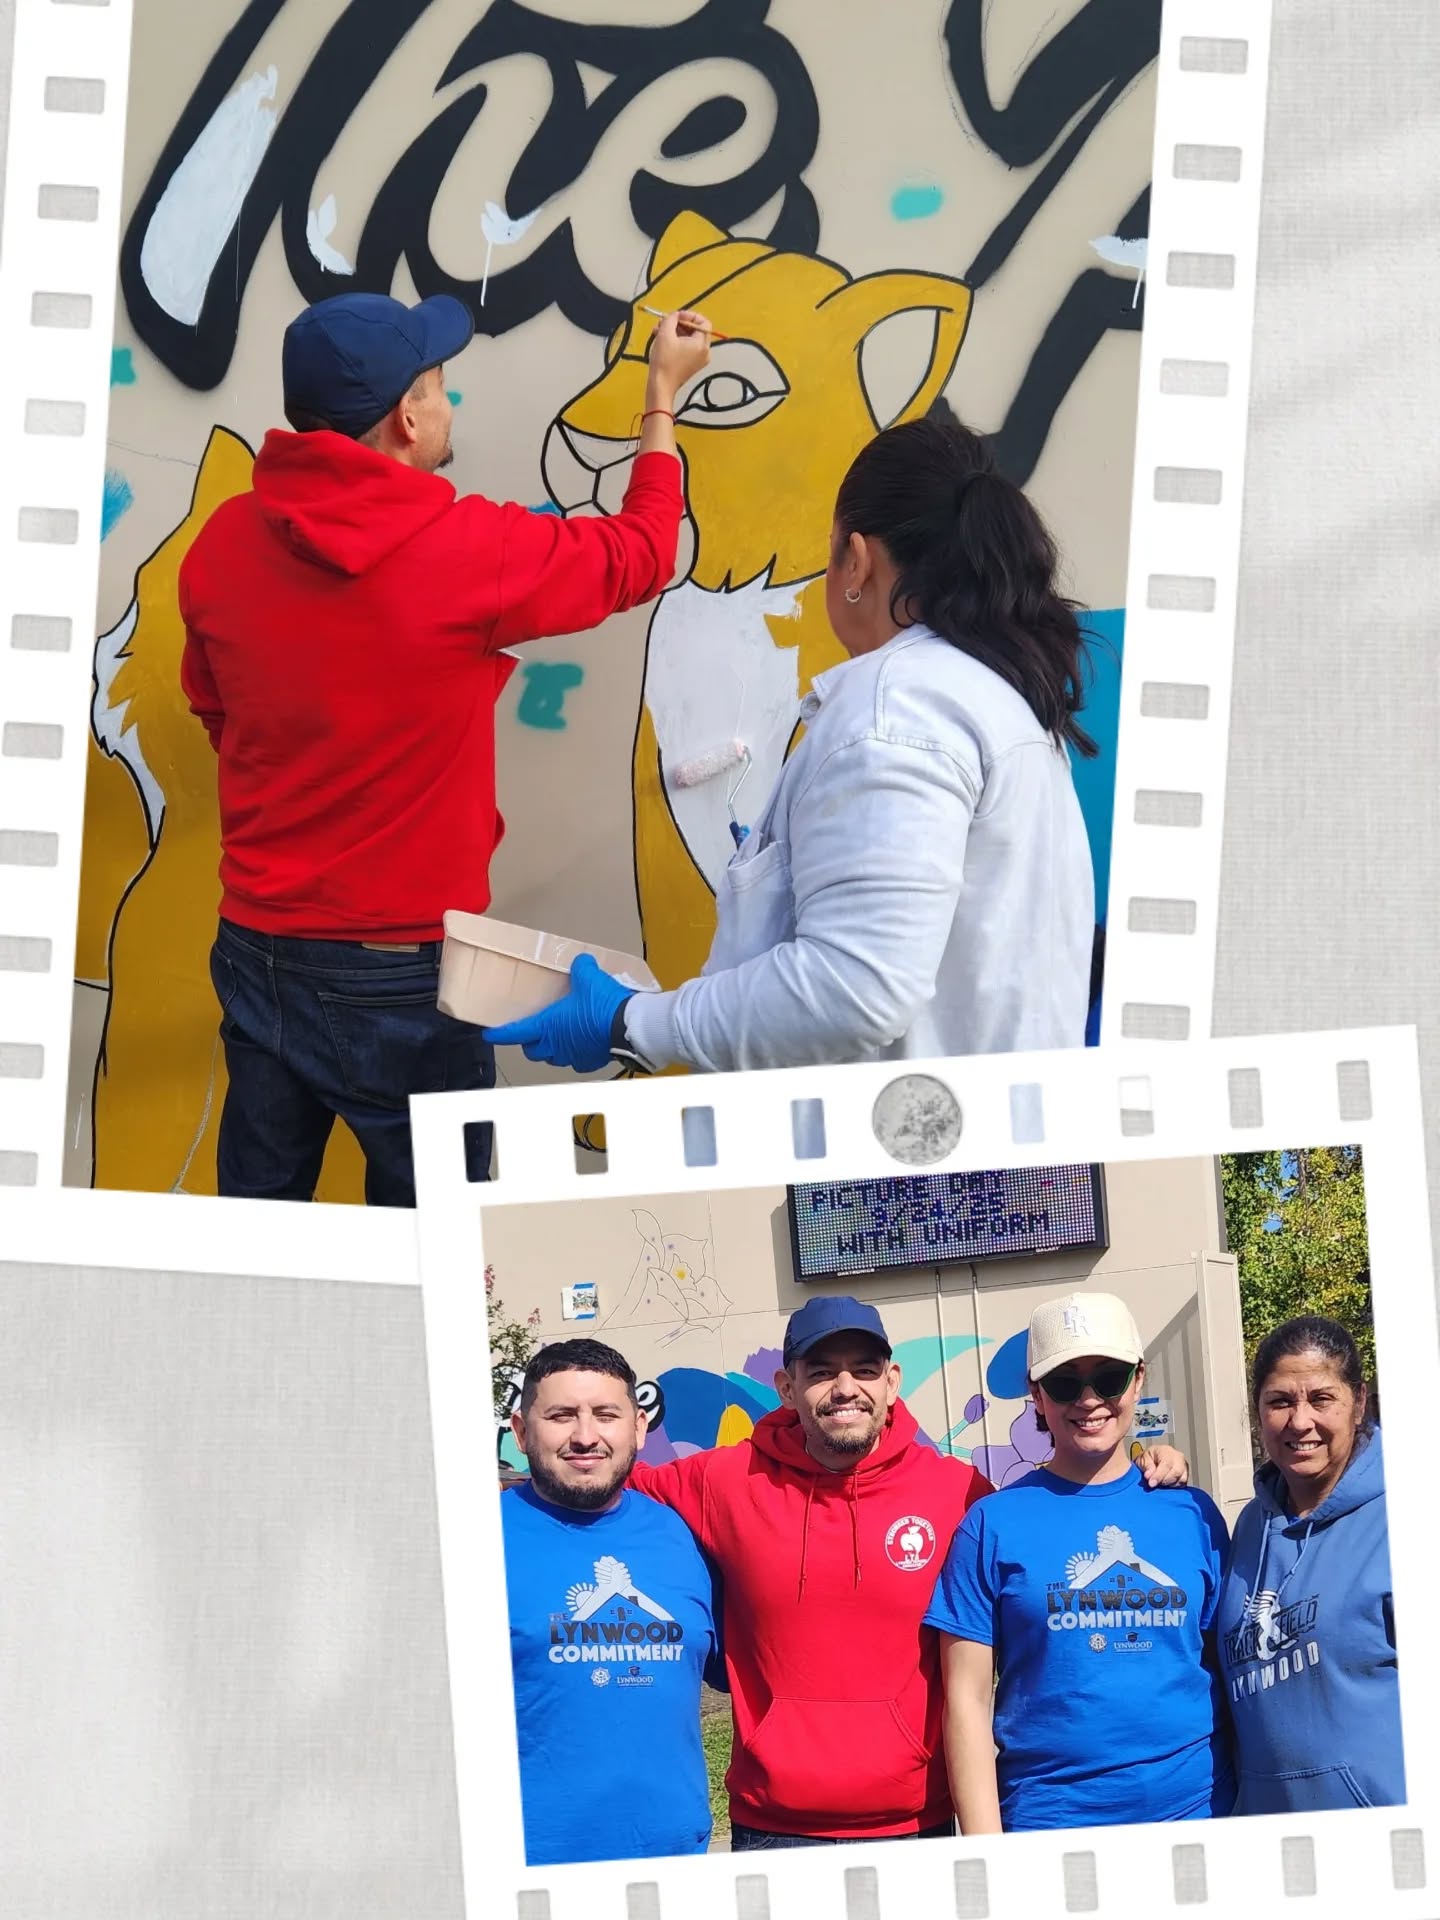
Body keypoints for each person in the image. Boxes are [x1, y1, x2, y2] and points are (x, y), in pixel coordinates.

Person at [179, 291, 712, 1206]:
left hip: (257, 949)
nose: (450, 402)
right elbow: (637, 556)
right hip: (402, 976)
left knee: (254, 1244)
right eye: (440, 384)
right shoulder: (464, 547)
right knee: (437, 1256)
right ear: (405, 417)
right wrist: (661, 396)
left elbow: (216, 712)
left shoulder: (223, 541)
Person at [484, 415, 1096, 1078]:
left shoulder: (896, 709)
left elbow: (854, 990)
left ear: (856, 561)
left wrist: (630, 1022)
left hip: (908, 1171)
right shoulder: (993, 696)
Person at [623, 1294, 1192, 1848]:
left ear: (891, 1382)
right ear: (786, 1387)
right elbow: (598, 1487)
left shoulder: (957, 1492)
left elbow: (1057, 1517)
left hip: (918, 1821)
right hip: (775, 1824)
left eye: (864, 1370)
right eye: (822, 1372)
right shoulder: (719, 1480)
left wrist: (1148, 1463)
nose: (846, 1388)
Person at [925, 1292, 1233, 1834]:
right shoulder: (991, 1525)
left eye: (1109, 1378)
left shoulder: (1193, 1513)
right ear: (1036, 1396)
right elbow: (966, 1703)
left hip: (1197, 1809)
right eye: (1065, 1383)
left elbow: (1226, 1671)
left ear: (1138, 1380)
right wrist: (983, 1851)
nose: (1089, 1400)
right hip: (1051, 1819)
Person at [501, 1338, 722, 1867]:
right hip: (531, 1867)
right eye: (560, 1415)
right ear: (521, 1431)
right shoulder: (472, 1541)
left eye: (605, 1414)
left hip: (676, 1857)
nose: (585, 1436)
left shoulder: (681, 1536)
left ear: (639, 1427)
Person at [1216, 1315, 1403, 1813]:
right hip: (1272, 1842)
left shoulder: (1404, 1518)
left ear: (1358, 1402)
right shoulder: (1249, 1529)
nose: (1300, 1421)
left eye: (1321, 1399)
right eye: (1280, 1401)